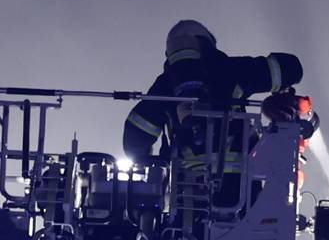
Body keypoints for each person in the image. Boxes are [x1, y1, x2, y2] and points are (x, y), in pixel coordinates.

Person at [120, 19, 307, 163]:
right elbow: (292, 69)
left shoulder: (165, 86)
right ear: (209, 43)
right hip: (241, 187)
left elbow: (134, 140)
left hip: (188, 193)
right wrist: (278, 95)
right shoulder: (231, 70)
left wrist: (151, 160)